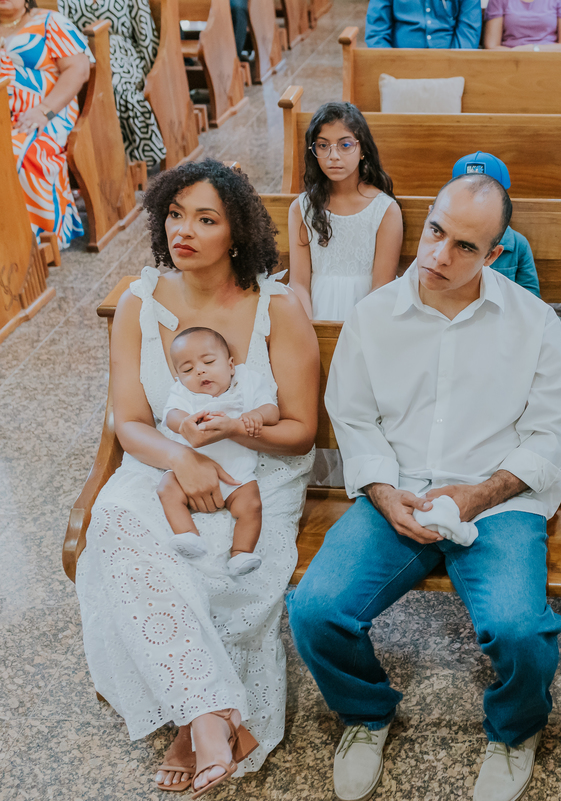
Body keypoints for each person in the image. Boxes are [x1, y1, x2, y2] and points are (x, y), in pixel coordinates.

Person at [287, 174, 561, 801]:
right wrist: (385, 492)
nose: (439, 256)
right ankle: (366, 714)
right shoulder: (374, 316)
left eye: (465, 247)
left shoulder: (532, 322)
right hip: (399, 492)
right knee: (314, 612)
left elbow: (551, 434)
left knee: (521, 630)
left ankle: (513, 732)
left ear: (495, 254)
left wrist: (478, 494)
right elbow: (355, 415)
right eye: (435, 231)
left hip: (496, 502)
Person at [73, 159, 318, 796]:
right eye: (175, 215)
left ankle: (196, 719)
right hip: (161, 457)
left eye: (205, 219)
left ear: (235, 232)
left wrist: (235, 434)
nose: (183, 230)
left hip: (258, 470)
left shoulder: (278, 308)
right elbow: (129, 422)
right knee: (117, 520)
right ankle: (211, 717)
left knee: (216, 558)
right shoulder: (137, 302)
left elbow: (300, 430)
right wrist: (183, 458)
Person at [159, 326, 280, 577]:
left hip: (237, 474)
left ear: (231, 365)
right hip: (191, 472)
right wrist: (184, 422)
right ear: (179, 377)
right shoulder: (184, 394)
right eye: (188, 369)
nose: (200, 370)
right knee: (166, 488)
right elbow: (170, 414)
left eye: (209, 361)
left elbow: (271, 409)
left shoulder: (247, 383)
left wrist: (257, 415)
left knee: (252, 505)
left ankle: (241, 553)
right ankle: (188, 535)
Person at [288, 102, 403, 322]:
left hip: (367, 317)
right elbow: (299, 284)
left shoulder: (385, 210)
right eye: (323, 146)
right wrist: (309, 329)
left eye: (345, 145)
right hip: (312, 314)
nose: (333, 156)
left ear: (362, 150)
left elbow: (381, 286)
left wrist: (354, 332)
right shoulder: (302, 208)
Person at [1, 0, 91, 247]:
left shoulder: (50, 22)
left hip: (47, 113)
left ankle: (39, 237)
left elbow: (79, 69)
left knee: (17, 153)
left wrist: (44, 110)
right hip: (2, 116)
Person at [59, 0, 167, 166]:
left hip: (123, 54)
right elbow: (63, 31)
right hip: (81, 55)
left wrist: (151, 74)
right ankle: (87, 155)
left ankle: (120, 156)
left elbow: (144, 33)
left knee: (112, 84)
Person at [452, 150, 541, 297]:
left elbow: (530, 296)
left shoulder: (517, 244)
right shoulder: (445, 242)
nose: (475, 202)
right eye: (466, 195)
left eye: (484, 195)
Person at [365, 0, 481, 48]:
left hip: (452, 71)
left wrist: (452, 67)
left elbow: (468, 33)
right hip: (399, 70)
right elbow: (376, 33)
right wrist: (392, 67)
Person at [483, 0, 561, 51]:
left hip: (549, 57)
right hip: (508, 58)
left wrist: (534, 49)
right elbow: (491, 45)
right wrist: (514, 54)